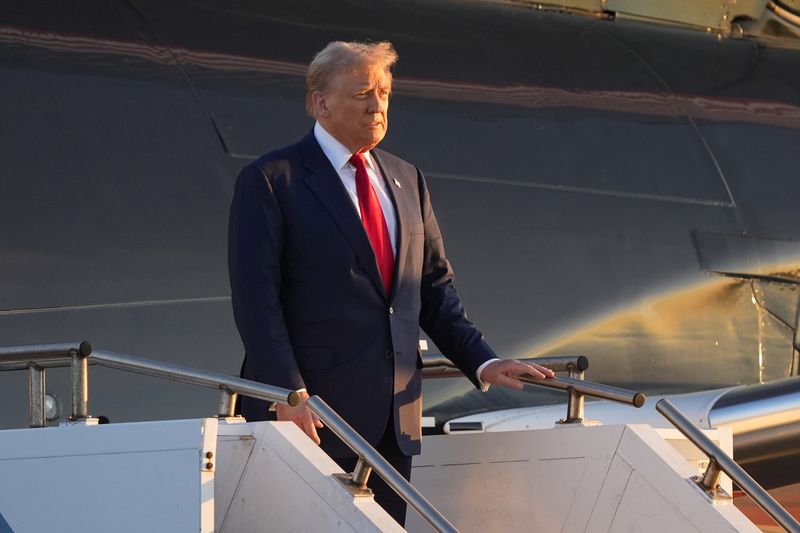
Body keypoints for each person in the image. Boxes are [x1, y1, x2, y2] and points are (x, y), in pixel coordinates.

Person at [227, 40, 554, 525]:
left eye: (384, 92)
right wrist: (287, 395)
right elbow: (258, 304)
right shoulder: (273, 180)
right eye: (362, 92)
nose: (377, 105)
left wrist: (482, 360)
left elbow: (434, 290)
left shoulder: (406, 178)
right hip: (310, 416)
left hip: (393, 419)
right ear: (322, 102)